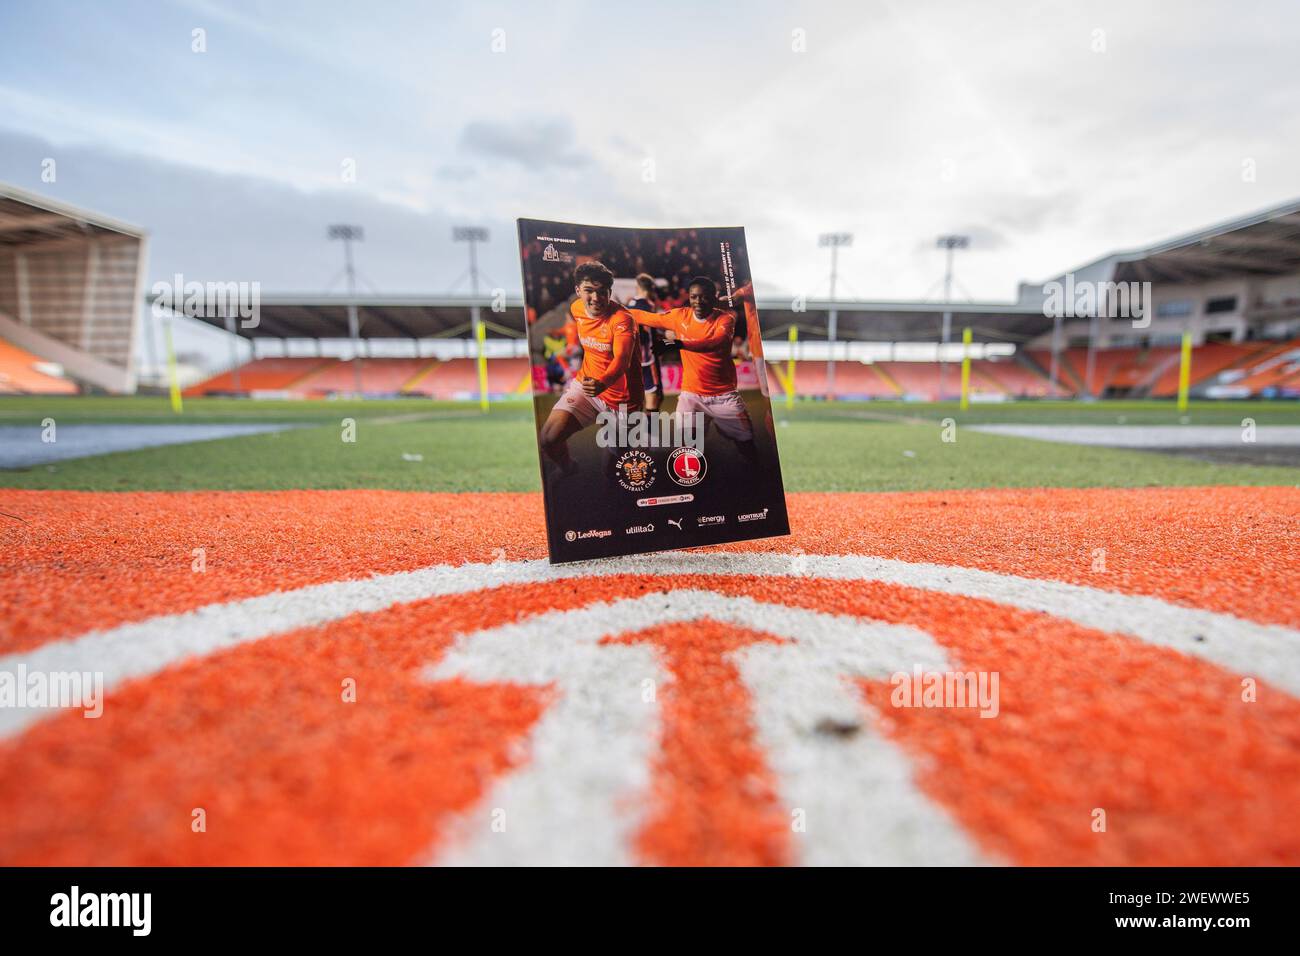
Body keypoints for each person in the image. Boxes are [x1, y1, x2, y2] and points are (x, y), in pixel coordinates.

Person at [628, 277, 757, 463]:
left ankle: (757, 474)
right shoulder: (680, 316)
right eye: (694, 297)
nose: (698, 302)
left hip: (724, 395)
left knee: (745, 443)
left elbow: (713, 344)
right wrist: (610, 308)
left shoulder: (725, 319)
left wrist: (677, 343)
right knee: (688, 449)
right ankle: (698, 484)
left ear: (715, 297)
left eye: (704, 297)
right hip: (691, 395)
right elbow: (646, 317)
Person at [538, 261, 644, 473]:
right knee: (549, 438)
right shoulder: (576, 309)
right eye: (589, 291)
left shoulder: (623, 320)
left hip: (623, 399)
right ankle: (568, 468)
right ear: (578, 290)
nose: (595, 298)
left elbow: (622, 360)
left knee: (614, 468)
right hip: (587, 387)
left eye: (602, 292)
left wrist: (602, 383)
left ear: (609, 292)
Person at [628, 273, 664, 412]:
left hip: (632, 359)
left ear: (638, 287)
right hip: (647, 358)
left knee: (635, 399)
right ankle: (651, 433)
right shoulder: (649, 306)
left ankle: (634, 431)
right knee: (655, 397)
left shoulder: (629, 305)